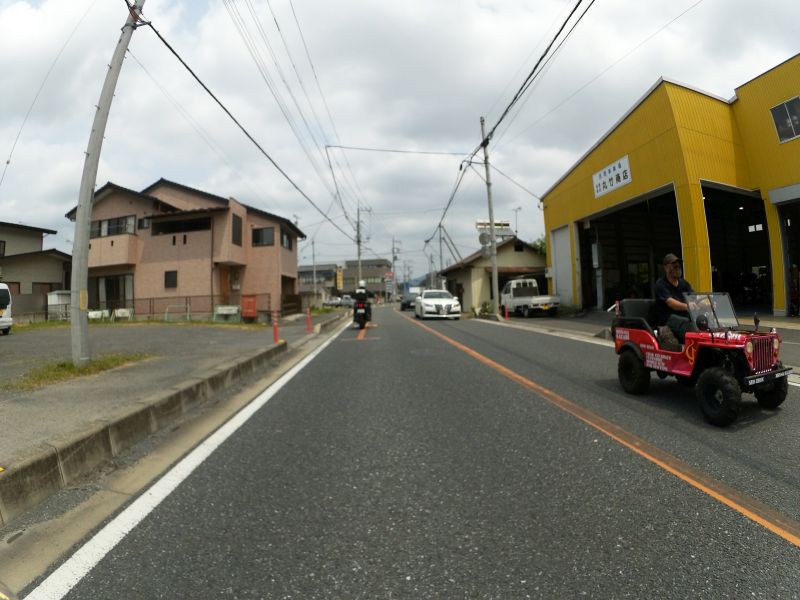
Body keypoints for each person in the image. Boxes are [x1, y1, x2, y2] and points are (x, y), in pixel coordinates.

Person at [655, 253, 695, 344]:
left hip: (683, 318)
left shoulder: (684, 283)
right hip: (667, 320)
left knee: (701, 323)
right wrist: (688, 306)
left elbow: (693, 296)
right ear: (666, 268)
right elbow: (671, 303)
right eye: (674, 265)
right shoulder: (661, 284)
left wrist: (705, 302)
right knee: (690, 328)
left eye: (678, 264)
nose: (677, 267)